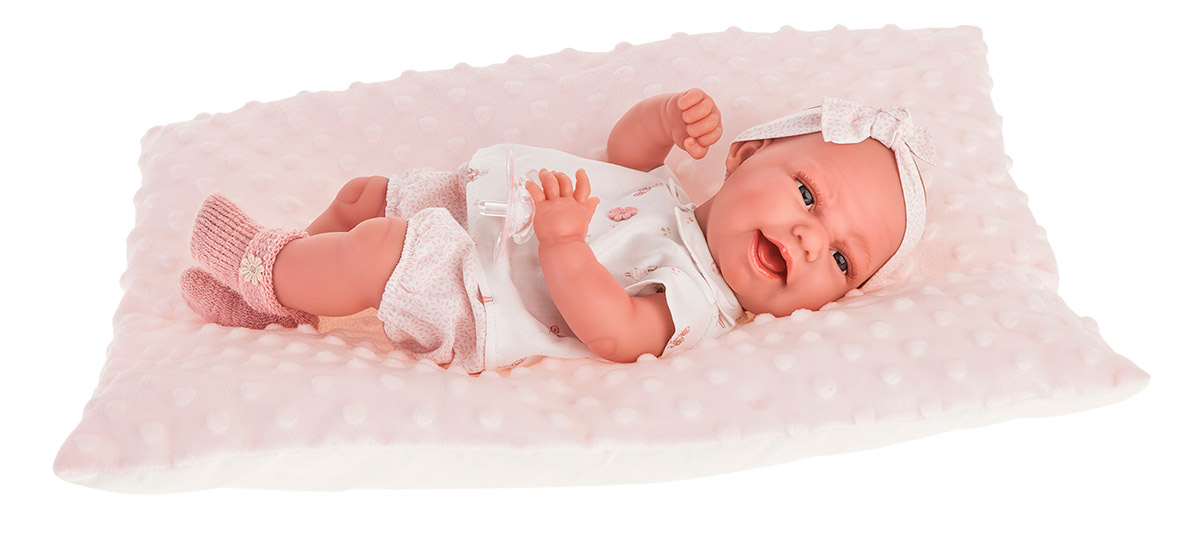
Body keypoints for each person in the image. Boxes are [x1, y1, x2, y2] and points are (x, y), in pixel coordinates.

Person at [181, 90, 935, 373]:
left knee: (378, 251)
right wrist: (663, 119)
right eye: (807, 195)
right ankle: (284, 302)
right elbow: (623, 157)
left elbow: (616, 331)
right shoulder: (669, 197)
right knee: (362, 199)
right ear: (744, 155)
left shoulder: (698, 299)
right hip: (486, 214)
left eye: (843, 259)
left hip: (485, 296)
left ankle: (259, 262)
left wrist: (565, 245)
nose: (810, 241)